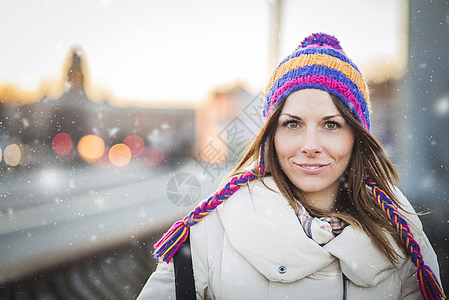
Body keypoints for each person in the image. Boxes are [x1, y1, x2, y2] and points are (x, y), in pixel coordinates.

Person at [137, 33, 445, 300]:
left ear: (357, 137)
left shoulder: (401, 234)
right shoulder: (209, 233)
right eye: (293, 124)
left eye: (331, 124)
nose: (310, 145)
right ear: (271, 135)